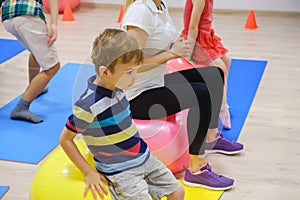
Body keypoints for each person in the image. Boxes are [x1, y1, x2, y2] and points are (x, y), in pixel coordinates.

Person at [122, 0, 243, 190]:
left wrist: (181, 46)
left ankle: (211, 138)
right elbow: (130, 64)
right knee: (200, 93)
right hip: (136, 96)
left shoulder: (159, 6)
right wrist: (171, 53)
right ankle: (196, 169)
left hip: (156, 82)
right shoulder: (140, 11)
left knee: (214, 74)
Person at [59, 28, 185, 200]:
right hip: (121, 171)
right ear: (105, 72)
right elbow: (65, 139)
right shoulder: (88, 105)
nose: (135, 78)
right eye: (129, 73)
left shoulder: (119, 89)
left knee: (178, 192)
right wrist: (88, 172)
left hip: (144, 158)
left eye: (136, 71)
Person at [1, 0, 60, 123]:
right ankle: (21, 107)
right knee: (52, 67)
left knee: (36, 51)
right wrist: (54, 24)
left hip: (8, 18)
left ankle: (36, 87)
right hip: (29, 15)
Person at [182, 0, 232, 129]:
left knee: (227, 61)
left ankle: (222, 99)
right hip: (197, 39)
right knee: (219, 68)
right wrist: (190, 51)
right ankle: (221, 107)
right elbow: (193, 26)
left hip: (206, 36)